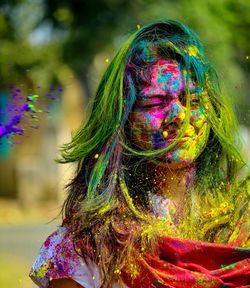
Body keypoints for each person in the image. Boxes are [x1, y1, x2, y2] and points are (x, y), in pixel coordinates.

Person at [30, 19, 250, 288]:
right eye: (155, 102)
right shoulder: (86, 248)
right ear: (122, 121)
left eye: (192, 99)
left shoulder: (240, 223)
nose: (179, 115)